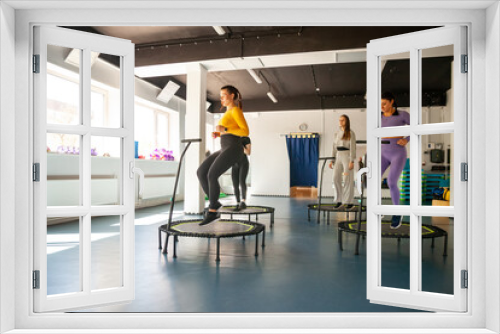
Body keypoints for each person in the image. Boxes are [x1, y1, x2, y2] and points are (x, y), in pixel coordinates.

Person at [197, 85, 249, 225]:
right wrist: (219, 133)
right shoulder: (226, 113)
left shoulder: (235, 110)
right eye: (220, 96)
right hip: (224, 147)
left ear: (232, 96)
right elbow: (230, 130)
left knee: (212, 174)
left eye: (224, 95)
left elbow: (245, 131)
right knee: (201, 172)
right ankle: (215, 202)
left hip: (234, 148)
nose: (221, 98)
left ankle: (213, 210)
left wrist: (225, 128)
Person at [380, 91, 410, 229]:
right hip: (382, 152)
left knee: (392, 182)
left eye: (384, 103)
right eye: (380, 104)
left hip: (397, 152)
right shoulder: (378, 117)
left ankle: (397, 212)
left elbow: (416, 127)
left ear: (392, 102)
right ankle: (378, 209)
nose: (382, 106)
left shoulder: (403, 115)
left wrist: (407, 139)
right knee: (372, 180)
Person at [329, 114, 356, 211]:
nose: (341, 122)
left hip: (347, 155)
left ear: (347, 121)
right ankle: (338, 200)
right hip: (338, 156)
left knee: (347, 178)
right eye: (339, 120)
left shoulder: (350, 133)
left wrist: (352, 160)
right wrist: (332, 159)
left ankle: (349, 202)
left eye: (343, 120)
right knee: (335, 178)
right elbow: (333, 147)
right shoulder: (336, 133)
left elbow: (353, 147)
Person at [231, 137, 251, 211]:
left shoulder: (246, 139)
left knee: (242, 181)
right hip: (234, 164)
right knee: (235, 184)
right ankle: (237, 202)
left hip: (244, 163)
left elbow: (248, 152)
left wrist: (240, 145)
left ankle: (243, 201)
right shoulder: (232, 138)